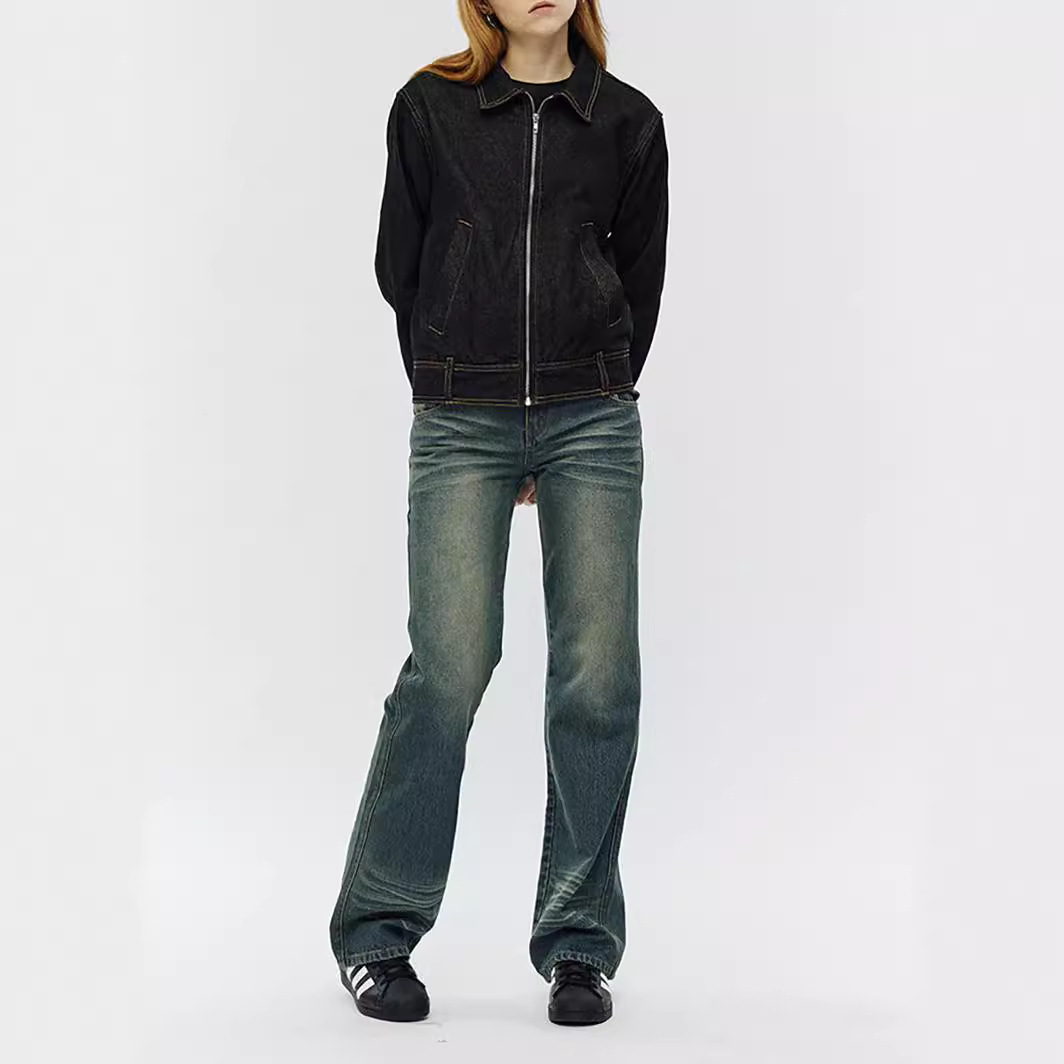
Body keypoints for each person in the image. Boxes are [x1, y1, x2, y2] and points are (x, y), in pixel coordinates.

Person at [328, 0, 668, 1027]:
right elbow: (399, 265)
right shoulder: (429, 109)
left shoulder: (629, 122)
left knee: (598, 673)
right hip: (460, 417)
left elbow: (639, 281)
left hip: (589, 417)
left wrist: (575, 387)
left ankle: (579, 944)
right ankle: (377, 929)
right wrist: (456, 380)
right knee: (449, 665)